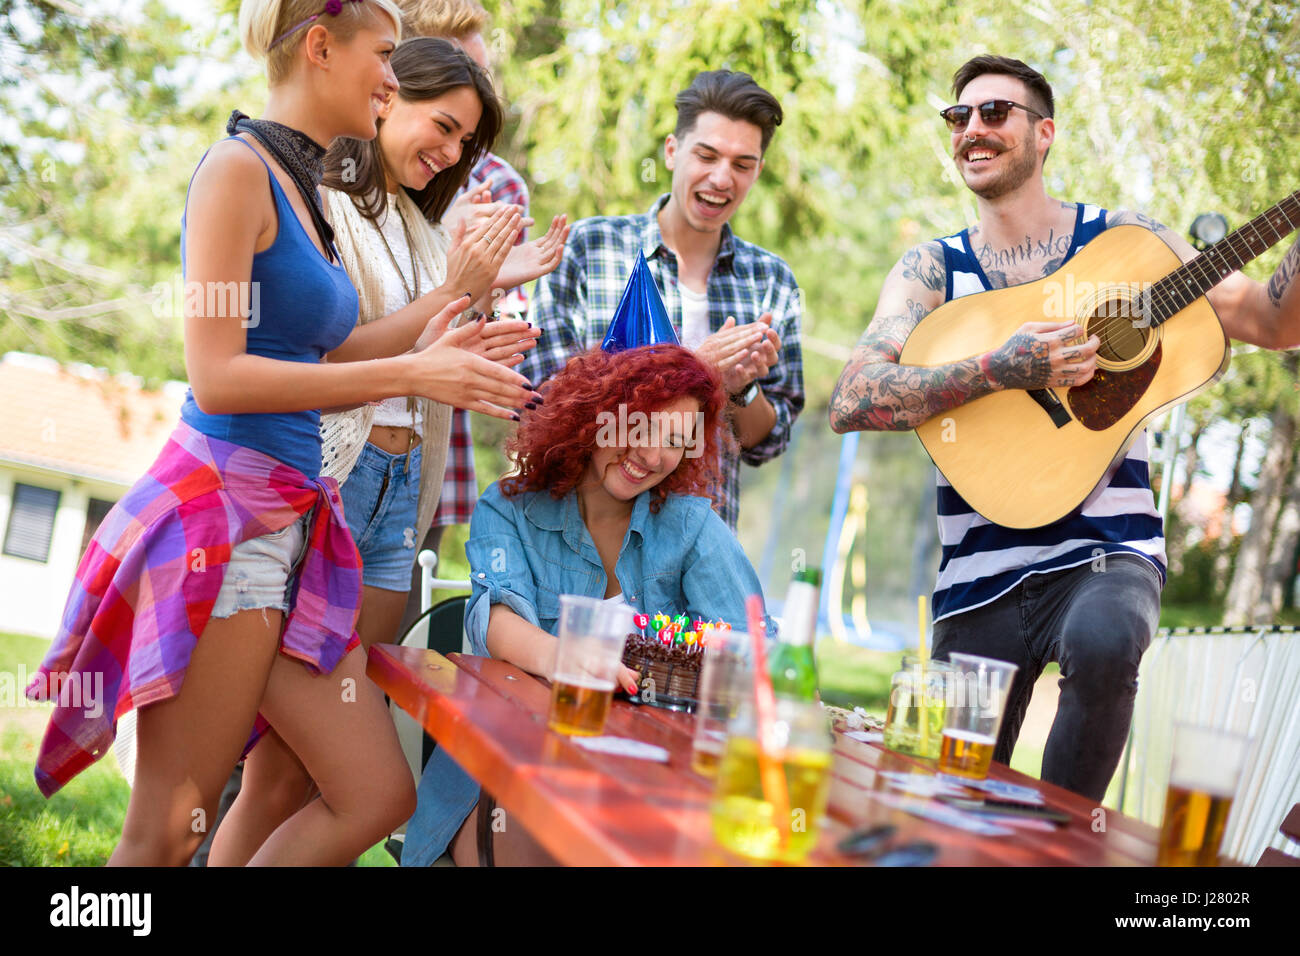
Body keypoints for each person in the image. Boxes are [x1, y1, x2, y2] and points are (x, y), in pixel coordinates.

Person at [25, 0, 538, 866]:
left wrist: (442, 334)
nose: (391, 75)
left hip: (297, 532)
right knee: (160, 836)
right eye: (385, 55)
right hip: (224, 530)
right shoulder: (235, 170)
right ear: (320, 47)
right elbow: (218, 376)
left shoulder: (308, 190)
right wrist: (412, 374)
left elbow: (337, 345)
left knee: (377, 793)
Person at [829, 55, 1300, 802]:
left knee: (1107, 640)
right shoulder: (932, 269)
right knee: (942, 804)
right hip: (977, 576)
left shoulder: (1128, 242)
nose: (972, 129)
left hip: (1107, 554)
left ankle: (1061, 841)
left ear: (1044, 133)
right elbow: (852, 398)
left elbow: (1273, 320)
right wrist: (996, 370)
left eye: (994, 113)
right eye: (959, 117)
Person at [201, 36, 567, 866]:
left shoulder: (422, 222)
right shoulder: (320, 197)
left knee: (296, 770)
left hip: (400, 493)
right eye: (440, 126)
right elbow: (324, 358)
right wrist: (458, 299)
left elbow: (427, 349)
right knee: (295, 768)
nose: (448, 154)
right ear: (388, 97)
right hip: (335, 475)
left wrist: (479, 332)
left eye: (465, 145)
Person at [402, 344, 774, 865]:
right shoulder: (509, 509)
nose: (651, 454)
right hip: (512, 780)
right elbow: (496, 615)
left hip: (655, 786)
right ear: (595, 417)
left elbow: (756, 649)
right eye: (638, 426)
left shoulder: (692, 526)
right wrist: (564, 659)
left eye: (673, 440)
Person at [524, 69, 805, 530]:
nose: (721, 178)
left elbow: (765, 443)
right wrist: (696, 369)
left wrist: (739, 388)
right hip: (574, 536)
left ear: (758, 170)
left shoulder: (772, 281)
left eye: (742, 164)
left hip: (695, 549)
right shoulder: (590, 249)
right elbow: (543, 402)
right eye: (707, 155)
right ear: (673, 152)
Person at [396, 0, 536, 629]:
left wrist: (481, 285)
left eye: (480, 74)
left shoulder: (499, 186)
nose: (459, 147)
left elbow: (501, 335)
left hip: (426, 458)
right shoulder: (338, 164)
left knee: (374, 654)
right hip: (327, 450)